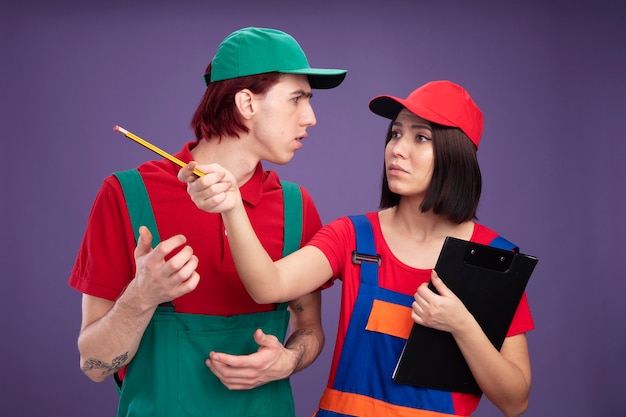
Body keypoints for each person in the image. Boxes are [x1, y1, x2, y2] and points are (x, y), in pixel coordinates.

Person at [179, 80, 534, 417]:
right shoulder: (352, 236)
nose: (397, 148)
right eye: (395, 134)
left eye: (421, 137)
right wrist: (233, 208)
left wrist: (461, 325)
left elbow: (515, 401)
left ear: (456, 154)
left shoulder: (493, 259)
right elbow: (268, 286)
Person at [69, 27, 347, 417]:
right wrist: (142, 296)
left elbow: (309, 328)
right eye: (297, 99)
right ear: (247, 103)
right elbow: (94, 366)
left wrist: (288, 360)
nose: (311, 117)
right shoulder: (127, 195)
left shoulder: (296, 206)